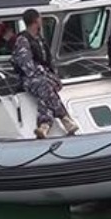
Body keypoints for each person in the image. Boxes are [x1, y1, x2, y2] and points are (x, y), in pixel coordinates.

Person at [12, 8, 79, 139]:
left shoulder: (39, 39)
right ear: (36, 21)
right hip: (28, 79)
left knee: (46, 88)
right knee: (45, 86)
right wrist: (46, 75)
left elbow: (49, 61)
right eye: (40, 18)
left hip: (43, 77)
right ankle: (65, 119)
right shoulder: (22, 41)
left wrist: (52, 75)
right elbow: (28, 67)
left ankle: (45, 125)